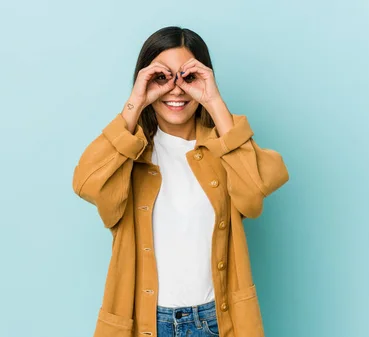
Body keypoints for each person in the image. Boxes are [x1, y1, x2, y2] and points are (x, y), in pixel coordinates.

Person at [72, 26, 289, 337]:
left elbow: (256, 190)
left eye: (188, 78)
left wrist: (214, 102)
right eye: (161, 77)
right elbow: (87, 183)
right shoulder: (129, 156)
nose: (175, 90)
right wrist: (135, 102)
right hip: (147, 324)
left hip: (216, 321)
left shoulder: (223, 150)